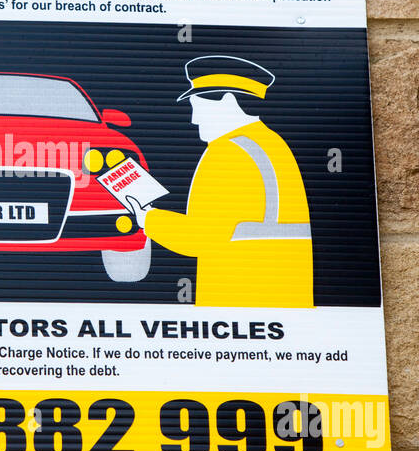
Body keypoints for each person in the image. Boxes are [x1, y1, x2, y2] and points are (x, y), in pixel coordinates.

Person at [126, 55, 313, 307]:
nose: (194, 119)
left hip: (238, 299)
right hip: (285, 298)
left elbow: (199, 237)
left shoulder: (228, 152)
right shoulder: (272, 144)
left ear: (228, 100)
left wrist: (148, 218)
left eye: (197, 105)